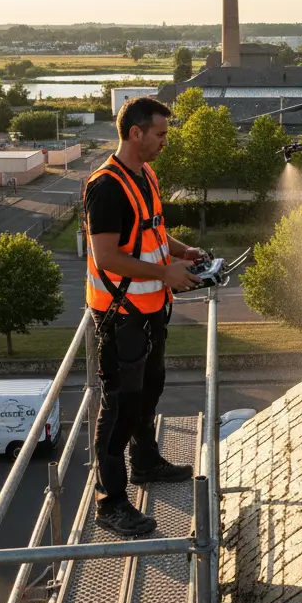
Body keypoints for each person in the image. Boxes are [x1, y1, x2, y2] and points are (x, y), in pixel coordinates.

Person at [84, 96, 203, 536]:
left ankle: (146, 462)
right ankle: (110, 503)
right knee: (119, 408)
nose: (165, 143)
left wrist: (182, 252)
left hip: (150, 309)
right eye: (161, 134)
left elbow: (152, 229)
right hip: (121, 316)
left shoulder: (145, 175)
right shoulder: (106, 186)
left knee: (149, 390)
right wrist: (164, 273)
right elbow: (107, 255)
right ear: (136, 133)